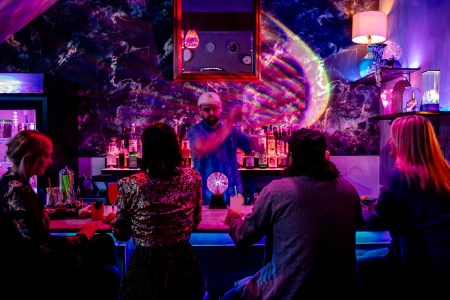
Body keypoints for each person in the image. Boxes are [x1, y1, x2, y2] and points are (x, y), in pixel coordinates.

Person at [221, 128, 363, 300]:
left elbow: (243, 237)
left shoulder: (276, 191)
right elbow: (357, 224)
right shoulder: (349, 189)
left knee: (228, 296)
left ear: (293, 158)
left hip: (288, 291)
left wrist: (235, 219)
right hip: (343, 291)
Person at [0, 130, 119, 300]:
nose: (51, 161)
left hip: (32, 259)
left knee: (103, 242)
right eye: (47, 156)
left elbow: (34, 213)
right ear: (29, 158)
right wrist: (82, 236)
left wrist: (77, 212)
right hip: (33, 266)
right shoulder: (18, 190)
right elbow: (41, 246)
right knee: (105, 249)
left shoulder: (10, 181)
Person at [111, 122, 207, 300]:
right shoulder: (193, 178)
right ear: (176, 147)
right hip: (185, 268)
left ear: (145, 150)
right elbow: (195, 224)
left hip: (145, 271)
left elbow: (121, 234)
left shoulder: (130, 184)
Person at [358, 115, 450, 299]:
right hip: (443, 261)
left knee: (360, 263)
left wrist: (348, 208)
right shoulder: (445, 172)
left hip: (417, 263)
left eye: (394, 137)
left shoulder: (401, 175)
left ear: (404, 142)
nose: (390, 143)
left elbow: (377, 222)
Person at [187, 91, 261, 206]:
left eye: (214, 108)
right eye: (207, 109)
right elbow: (203, 148)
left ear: (220, 108)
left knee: (235, 223)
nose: (211, 112)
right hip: (206, 197)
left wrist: (253, 124)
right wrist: (230, 121)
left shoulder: (232, 130)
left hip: (233, 193)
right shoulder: (194, 131)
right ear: (200, 111)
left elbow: (257, 148)